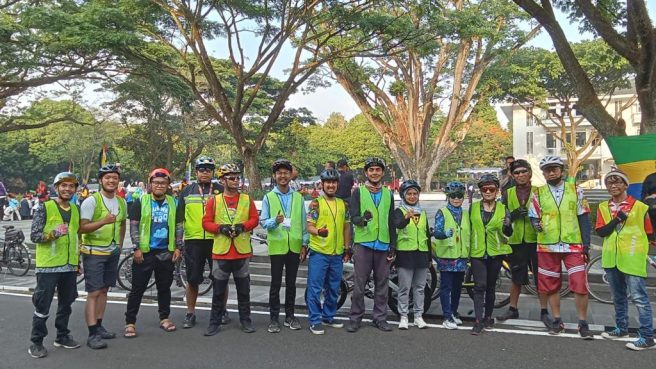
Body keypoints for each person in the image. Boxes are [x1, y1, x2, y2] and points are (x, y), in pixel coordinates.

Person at [528, 155, 593, 339]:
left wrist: (586, 245)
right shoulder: (538, 193)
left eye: (554, 168)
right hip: (547, 246)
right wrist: (535, 224)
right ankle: (557, 319)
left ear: (561, 170)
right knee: (551, 286)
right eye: (547, 170)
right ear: (543, 173)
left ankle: (583, 323)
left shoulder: (576, 190)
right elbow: (533, 216)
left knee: (580, 285)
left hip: (573, 245)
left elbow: (584, 218)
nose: (550, 172)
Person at [596, 169, 656, 350]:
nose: (613, 185)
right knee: (618, 297)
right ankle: (621, 328)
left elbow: (649, 233)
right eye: (609, 183)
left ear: (625, 185)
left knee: (639, 297)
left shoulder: (640, 207)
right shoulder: (602, 207)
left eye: (617, 182)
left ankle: (647, 336)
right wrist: (616, 220)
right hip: (611, 257)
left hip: (632, 257)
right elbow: (601, 231)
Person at [28, 172, 82, 358]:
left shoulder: (75, 209)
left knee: (66, 303)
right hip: (48, 266)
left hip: (69, 265)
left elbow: (76, 236)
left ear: (75, 189)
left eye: (71, 186)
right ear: (56, 187)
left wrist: (77, 261)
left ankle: (62, 336)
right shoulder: (45, 207)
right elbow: (34, 236)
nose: (68, 189)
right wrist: (53, 233)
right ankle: (36, 342)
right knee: (43, 305)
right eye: (64, 185)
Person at [202, 164, 259, 336]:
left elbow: (255, 219)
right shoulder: (214, 200)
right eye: (231, 178)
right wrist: (220, 228)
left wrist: (243, 226)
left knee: (244, 289)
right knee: (218, 290)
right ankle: (214, 322)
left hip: (241, 250)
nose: (236, 181)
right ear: (222, 180)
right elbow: (205, 222)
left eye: (237, 178)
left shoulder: (246, 199)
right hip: (221, 251)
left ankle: (245, 320)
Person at [124, 168, 181, 338]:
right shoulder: (141, 201)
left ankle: (165, 318)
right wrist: (137, 248)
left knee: (164, 288)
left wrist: (178, 247)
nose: (159, 186)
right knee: (137, 289)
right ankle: (130, 322)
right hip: (145, 252)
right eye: (156, 183)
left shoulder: (174, 202)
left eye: (163, 183)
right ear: (150, 184)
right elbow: (134, 225)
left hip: (166, 252)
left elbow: (178, 226)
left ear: (168, 185)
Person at [496, 159, 552, 327]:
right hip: (516, 241)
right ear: (512, 175)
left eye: (523, 172)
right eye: (517, 173)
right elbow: (503, 217)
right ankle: (513, 308)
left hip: (537, 240)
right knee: (516, 277)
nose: (520, 175)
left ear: (530, 173)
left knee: (540, 277)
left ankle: (544, 311)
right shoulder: (508, 193)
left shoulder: (541, 191)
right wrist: (513, 214)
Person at [176, 156, 229, 329]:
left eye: (208, 170)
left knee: (220, 278)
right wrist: (178, 243)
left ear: (213, 172)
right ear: (196, 172)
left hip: (217, 239)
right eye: (201, 170)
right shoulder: (187, 191)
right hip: (194, 241)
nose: (204, 173)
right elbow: (179, 219)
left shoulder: (221, 190)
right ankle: (190, 313)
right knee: (192, 279)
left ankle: (221, 310)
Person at [79, 164, 127, 349]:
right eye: (107, 177)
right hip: (93, 253)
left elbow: (122, 224)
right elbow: (81, 227)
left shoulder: (121, 202)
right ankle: (92, 334)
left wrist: (120, 245)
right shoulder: (91, 201)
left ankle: (99, 326)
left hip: (112, 252)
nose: (111, 180)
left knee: (105, 290)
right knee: (93, 292)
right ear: (100, 180)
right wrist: (103, 222)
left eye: (114, 177)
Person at [347, 157, 396, 333]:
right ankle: (355, 318)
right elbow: (353, 217)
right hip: (364, 244)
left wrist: (393, 245)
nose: (374, 172)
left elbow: (390, 221)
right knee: (360, 283)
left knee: (382, 283)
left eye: (378, 169)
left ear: (382, 172)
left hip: (383, 244)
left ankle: (380, 318)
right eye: (371, 170)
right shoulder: (358, 193)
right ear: (366, 173)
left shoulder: (388, 194)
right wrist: (363, 219)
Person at [260, 159, 308, 333]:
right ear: (275, 176)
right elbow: (264, 222)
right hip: (277, 246)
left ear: (290, 175)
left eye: (285, 172)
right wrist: (275, 221)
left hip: (294, 245)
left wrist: (304, 244)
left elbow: (303, 222)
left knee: (291, 283)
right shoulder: (269, 197)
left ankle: (290, 315)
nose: (282, 176)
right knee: (275, 283)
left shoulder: (298, 197)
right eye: (279, 173)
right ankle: (274, 318)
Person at [304, 168, 351, 335]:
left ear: (337, 184)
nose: (331, 185)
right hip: (319, 252)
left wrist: (347, 247)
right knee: (315, 288)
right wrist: (318, 232)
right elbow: (309, 226)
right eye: (328, 182)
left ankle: (328, 316)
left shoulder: (343, 204)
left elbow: (346, 227)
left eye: (333, 182)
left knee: (333, 287)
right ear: (322, 184)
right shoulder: (316, 203)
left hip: (336, 253)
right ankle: (315, 320)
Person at [469, 174, 513, 335]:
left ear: (497, 191)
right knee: (479, 286)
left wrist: (508, 225)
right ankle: (478, 320)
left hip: (496, 252)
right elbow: (469, 229)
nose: (487, 191)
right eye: (484, 189)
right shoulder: (473, 208)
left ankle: (488, 317)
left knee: (491, 287)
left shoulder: (503, 209)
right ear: (480, 191)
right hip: (477, 252)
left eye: (491, 189)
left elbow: (508, 233)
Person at [392, 180, 431, 330]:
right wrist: (406, 218)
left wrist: (429, 257)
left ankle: (418, 316)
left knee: (420, 287)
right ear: (403, 195)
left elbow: (426, 234)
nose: (412, 196)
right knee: (404, 287)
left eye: (415, 193)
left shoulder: (423, 213)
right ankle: (403, 316)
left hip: (421, 253)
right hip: (405, 254)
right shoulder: (399, 212)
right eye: (409, 194)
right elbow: (398, 225)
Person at [432, 181, 469, 329]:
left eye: (459, 196)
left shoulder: (466, 213)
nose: (456, 199)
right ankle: (446, 316)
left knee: (457, 287)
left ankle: (454, 311)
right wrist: (444, 234)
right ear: (448, 197)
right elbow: (436, 232)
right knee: (446, 287)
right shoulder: (442, 212)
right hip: (447, 256)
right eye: (453, 196)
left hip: (461, 256)